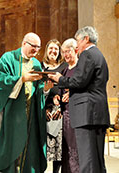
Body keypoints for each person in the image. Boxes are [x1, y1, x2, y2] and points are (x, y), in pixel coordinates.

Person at [48, 26, 110, 173]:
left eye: (78, 41)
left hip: (86, 114)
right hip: (97, 113)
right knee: (97, 161)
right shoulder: (99, 55)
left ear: (85, 39)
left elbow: (78, 81)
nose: (77, 46)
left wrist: (60, 79)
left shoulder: (87, 55)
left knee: (87, 160)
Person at [0, 32, 47, 173]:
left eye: (39, 47)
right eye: (33, 46)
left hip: (30, 113)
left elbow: (38, 88)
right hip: (11, 113)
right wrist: (22, 79)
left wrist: (44, 83)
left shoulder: (36, 63)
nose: (36, 50)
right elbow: (0, 82)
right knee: (12, 148)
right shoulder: (8, 58)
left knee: (28, 148)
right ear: (24, 43)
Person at [53, 38, 79, 173]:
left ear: (76, 50)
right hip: (65, 116)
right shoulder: (64, 71)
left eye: (68, 51)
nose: (66, 55)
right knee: (66, 151)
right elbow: (61, 89)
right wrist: (58, 97)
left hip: (77, 116)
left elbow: (85, 88)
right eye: (63, 52)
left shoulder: (80, 69)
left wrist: (72, 93)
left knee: (75, 151)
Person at [41, 39, 67, 173]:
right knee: (43, 146)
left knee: (59, 148)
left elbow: (67, 88)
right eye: (51, 48)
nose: (53, 51)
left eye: (56, 49)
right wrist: (44, 107)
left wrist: (61, 106)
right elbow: (36, 90)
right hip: (42, 109)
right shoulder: (40, 67)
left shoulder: (64, 67)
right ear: (46, 50)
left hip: (58, 110)